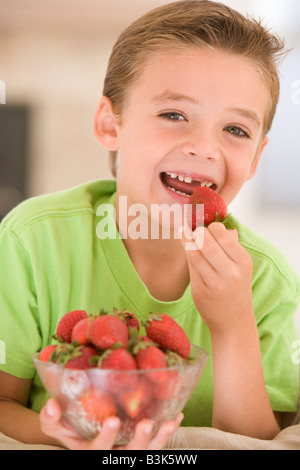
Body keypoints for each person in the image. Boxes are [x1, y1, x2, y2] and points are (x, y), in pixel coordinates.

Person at [0, 0, 299, 450]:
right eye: (174, 114)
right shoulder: (33, 242)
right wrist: (54, 433)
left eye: (235, 129)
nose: (202, 146)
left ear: (256, 157)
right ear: (110, 123)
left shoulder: (267, 281)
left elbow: (258, 443)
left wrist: (233, 322)